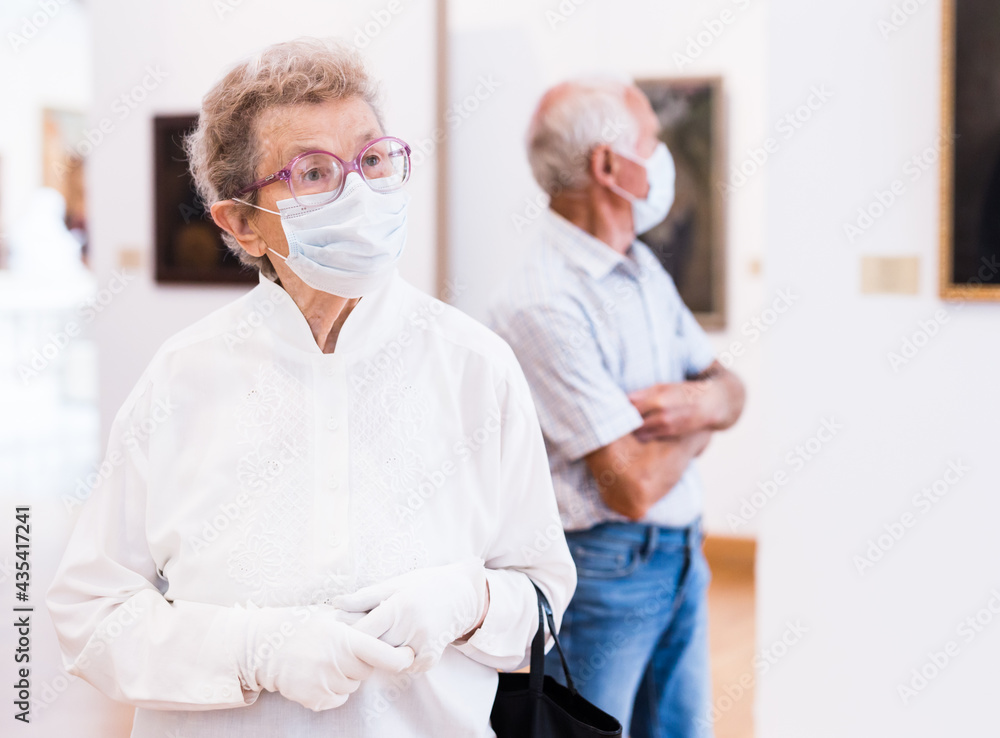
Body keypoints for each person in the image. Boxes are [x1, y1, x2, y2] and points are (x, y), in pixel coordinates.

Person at [46, 38, 575, 738]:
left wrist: (470, 600)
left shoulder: (476, 367)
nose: (358, 189)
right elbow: (92, 616)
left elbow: (541, 597)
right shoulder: (183, 378)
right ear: (241, 223)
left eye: (374, 158)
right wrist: (256, 653)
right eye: (314, 171)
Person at [489, 79, 745, 738]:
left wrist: (700, 403)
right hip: (607, 572)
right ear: (608, 165)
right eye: (652, 143)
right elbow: (629, 486)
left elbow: (730, 388)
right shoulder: (541, 302)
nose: (662, 159)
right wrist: (701, 419)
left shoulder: (640, 269)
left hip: (684, 553)